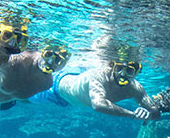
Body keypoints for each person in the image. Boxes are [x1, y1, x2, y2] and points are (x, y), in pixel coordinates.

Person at [27, 45, 161, 120]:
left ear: (136, 74)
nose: (122, 74)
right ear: (112, 67)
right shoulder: (99, 77)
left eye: (129, 71)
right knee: (23, 97)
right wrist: (132, 114)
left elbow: (154, 110)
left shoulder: (135, 88)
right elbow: (98, 105)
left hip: (69, 99)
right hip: (54, 88)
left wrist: (149, 115)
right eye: (119, 68)